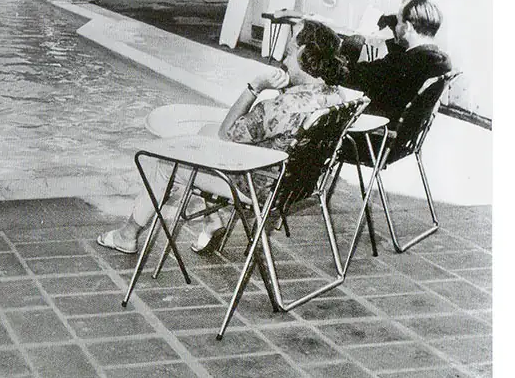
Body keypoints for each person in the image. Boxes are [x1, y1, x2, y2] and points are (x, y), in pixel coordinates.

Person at [98, 20, 350, 256]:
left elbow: (226, 133)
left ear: (304, 52)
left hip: (256, 185)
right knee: (202, 136)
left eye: (290, 47)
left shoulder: (283, 107)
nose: (284, 53)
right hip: (292, 184)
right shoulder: (333, 96)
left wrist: (255, 88)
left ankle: (127, 235)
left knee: (168, 163)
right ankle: (212, 219)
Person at [340, 0, 452, 120]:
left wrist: (362, 34)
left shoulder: (402, 64)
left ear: (408, 27)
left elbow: (351, 75)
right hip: (406, 126)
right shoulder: (440, 59)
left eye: (398, 21)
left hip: (380, 127)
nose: (396, 25)